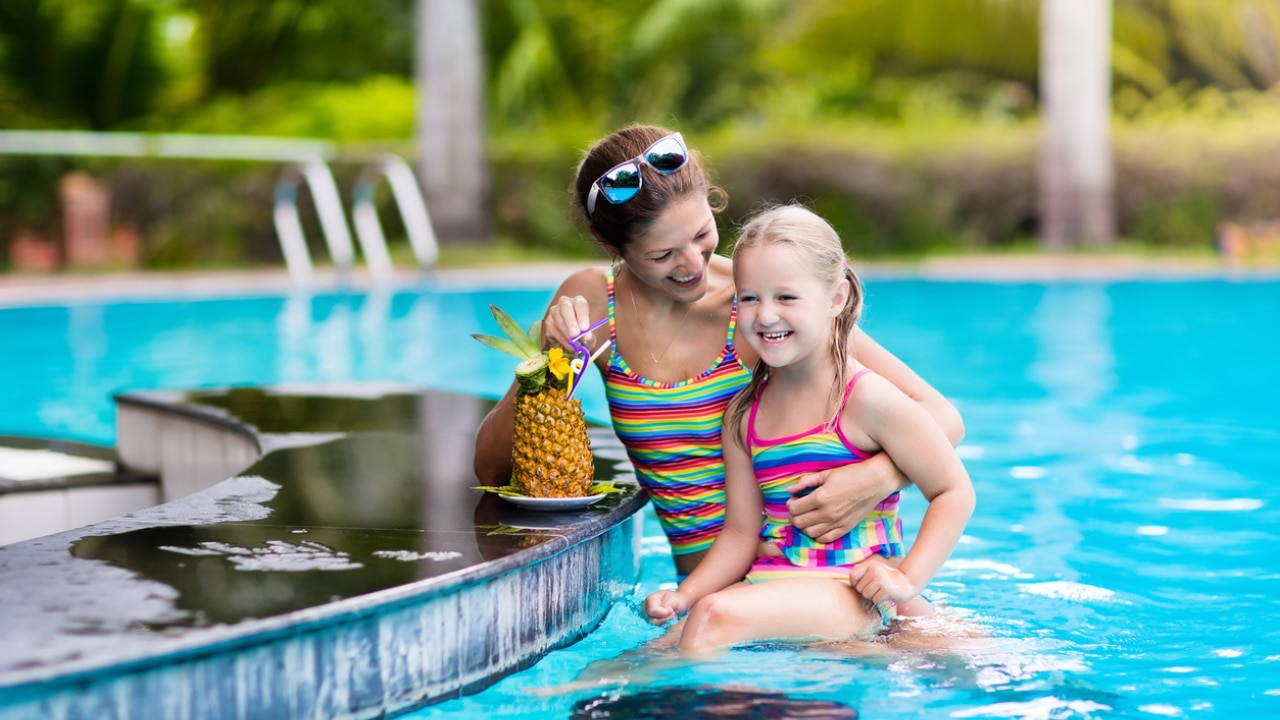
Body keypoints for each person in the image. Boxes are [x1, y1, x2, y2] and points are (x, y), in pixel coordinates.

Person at [473, 124, 964, 579]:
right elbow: (490, 470)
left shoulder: (759, 305)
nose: (692, 265)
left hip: (810, 575)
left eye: (702, 235)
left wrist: (875, 479)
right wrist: (550, 368)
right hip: (703, 587)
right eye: (663, 255)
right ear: (611, 246)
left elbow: (941, 416)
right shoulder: (593, 303)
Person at [643, 204, 976, 652]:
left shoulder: (865, 398)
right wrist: (683, 595)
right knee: (660, 645)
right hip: (773, 582)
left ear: (835, 299)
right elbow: (742, 534)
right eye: (749, 297)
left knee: (712, 619)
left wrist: (904, 580)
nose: (764, 315)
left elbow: (954, 491)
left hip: (851, 590)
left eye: (786, 297)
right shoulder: (744, 416)